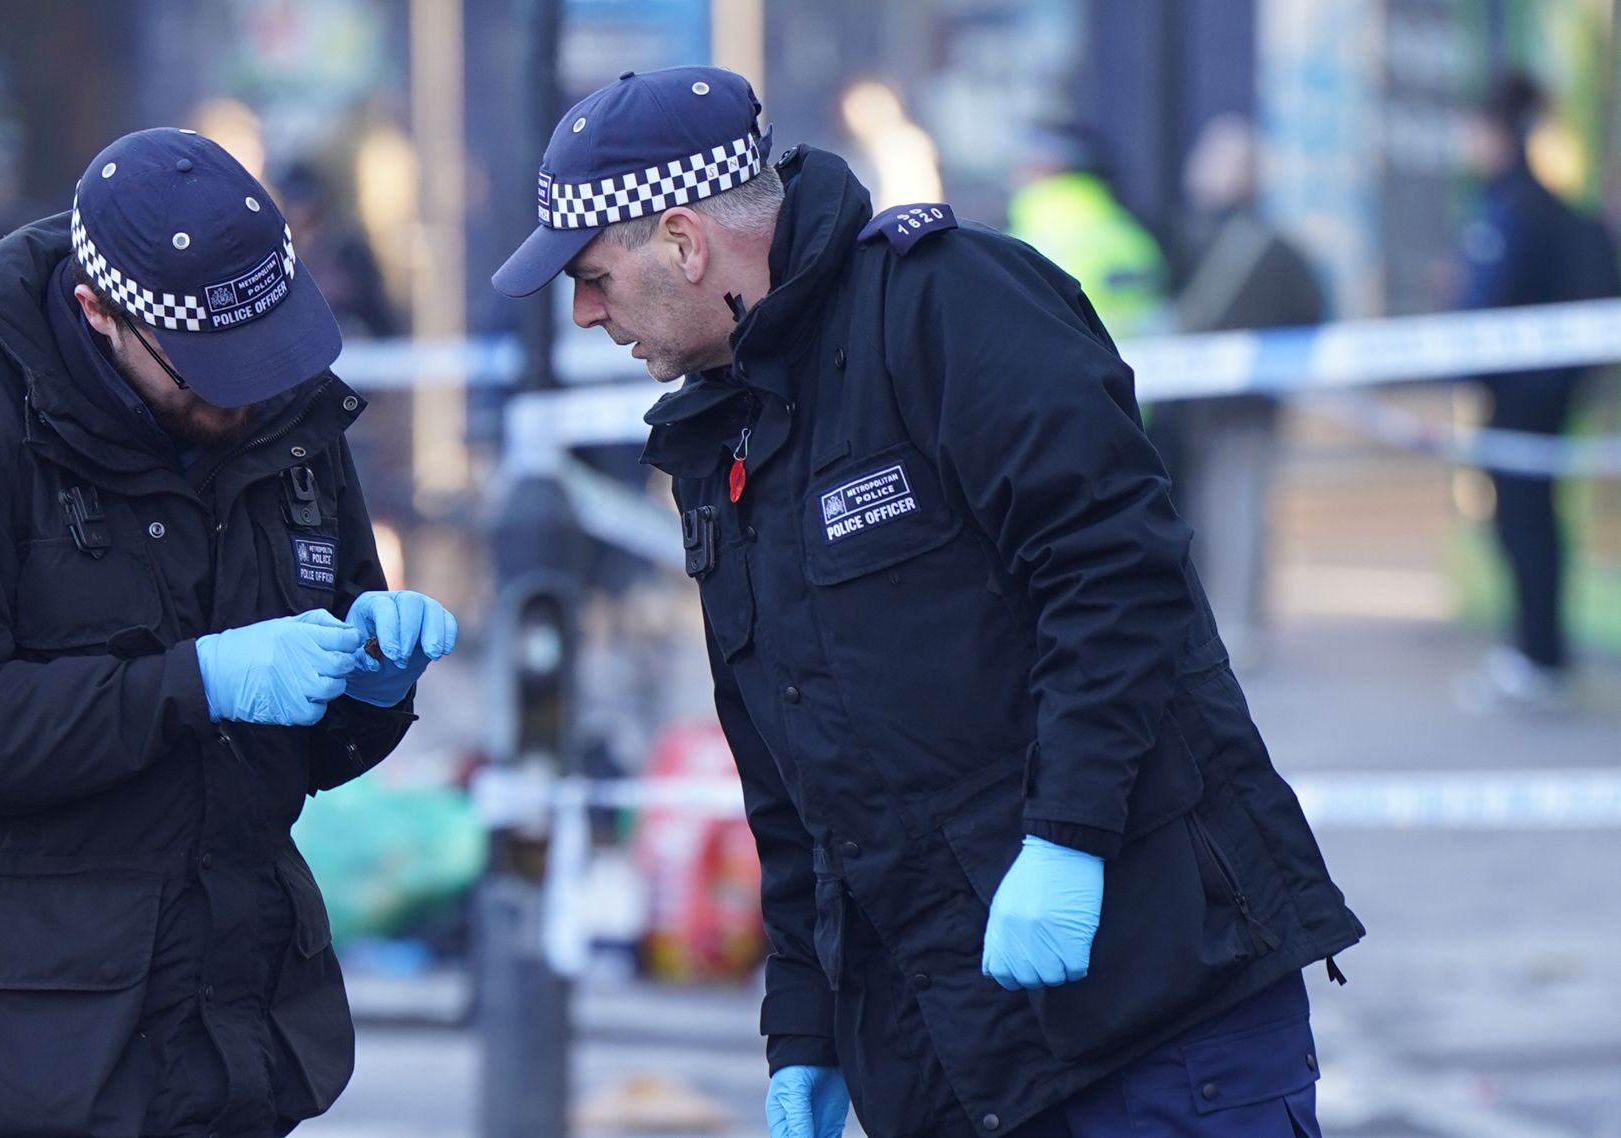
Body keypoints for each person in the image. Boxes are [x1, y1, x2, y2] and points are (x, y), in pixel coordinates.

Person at [494, 67, 1362, 1138]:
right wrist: (804, 1032)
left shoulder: (948, 304)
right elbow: (793, 777)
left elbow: (1118, 577)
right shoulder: (724, 435)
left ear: (682, 241)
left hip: (1160, 1016)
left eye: (592, 276)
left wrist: (1070, 837)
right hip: (955, 1059)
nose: (583, 314)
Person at [0, 128, 458, 1138]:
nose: (245, 392)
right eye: (209, 370)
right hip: (31, 1051)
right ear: (98, 315)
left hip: (235, 1037)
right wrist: (192, 683)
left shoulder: (281, 414)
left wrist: (372, 687)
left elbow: (302, 742)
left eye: (263, 355)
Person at [1453, 70, 1621, 711]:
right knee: (1532, 521)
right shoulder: (1531, 204)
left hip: (1524, 398)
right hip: (1541, 395)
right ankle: (1539, 652)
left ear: (1496, 131)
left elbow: (1486, 303)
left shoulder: (1515, 208)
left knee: (1524, 522)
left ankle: (1538, 656)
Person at [1149, 114, 1328, 668]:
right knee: (1237, 512)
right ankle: (1237, 629)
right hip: (1239, 405)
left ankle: (1224, 631)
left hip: (1203, 407)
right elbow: (1312, 310)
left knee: (1221, 512)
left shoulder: (1182, 236)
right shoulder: (1276, 248)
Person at [1005, 122, 1170, 339]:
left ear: (1049, 167)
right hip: (1139, 366)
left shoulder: (1026, 241)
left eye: (1025, 164)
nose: (1013, 176)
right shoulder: (1133, 235)